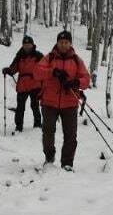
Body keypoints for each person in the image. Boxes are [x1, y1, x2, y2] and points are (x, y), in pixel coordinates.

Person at [34, 29, 90, 171]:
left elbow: (86, 79)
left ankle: (67, 163)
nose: (63, 45)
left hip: (70, 102)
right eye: (61, 42)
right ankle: (49, 157)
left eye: (66, 42)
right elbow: (37, 73)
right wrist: (52, 72)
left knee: (70, 135)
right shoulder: (49, 58)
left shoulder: (77, 60)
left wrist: (75, 82)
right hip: (49, 102)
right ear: (57, 43)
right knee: (47, 132)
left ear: (70, 43)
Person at [2, 35, 44, 132]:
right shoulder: (19, 55)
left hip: (35, 84)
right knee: (20, 107)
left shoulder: (38, 56)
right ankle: (18, 126)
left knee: (35, 105)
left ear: (32, 45)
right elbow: (13, 68)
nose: (27, 46)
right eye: (25, 44)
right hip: (23, 84)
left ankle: (37, 124)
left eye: (28, 44)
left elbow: (45, 68)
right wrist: (8, 70)